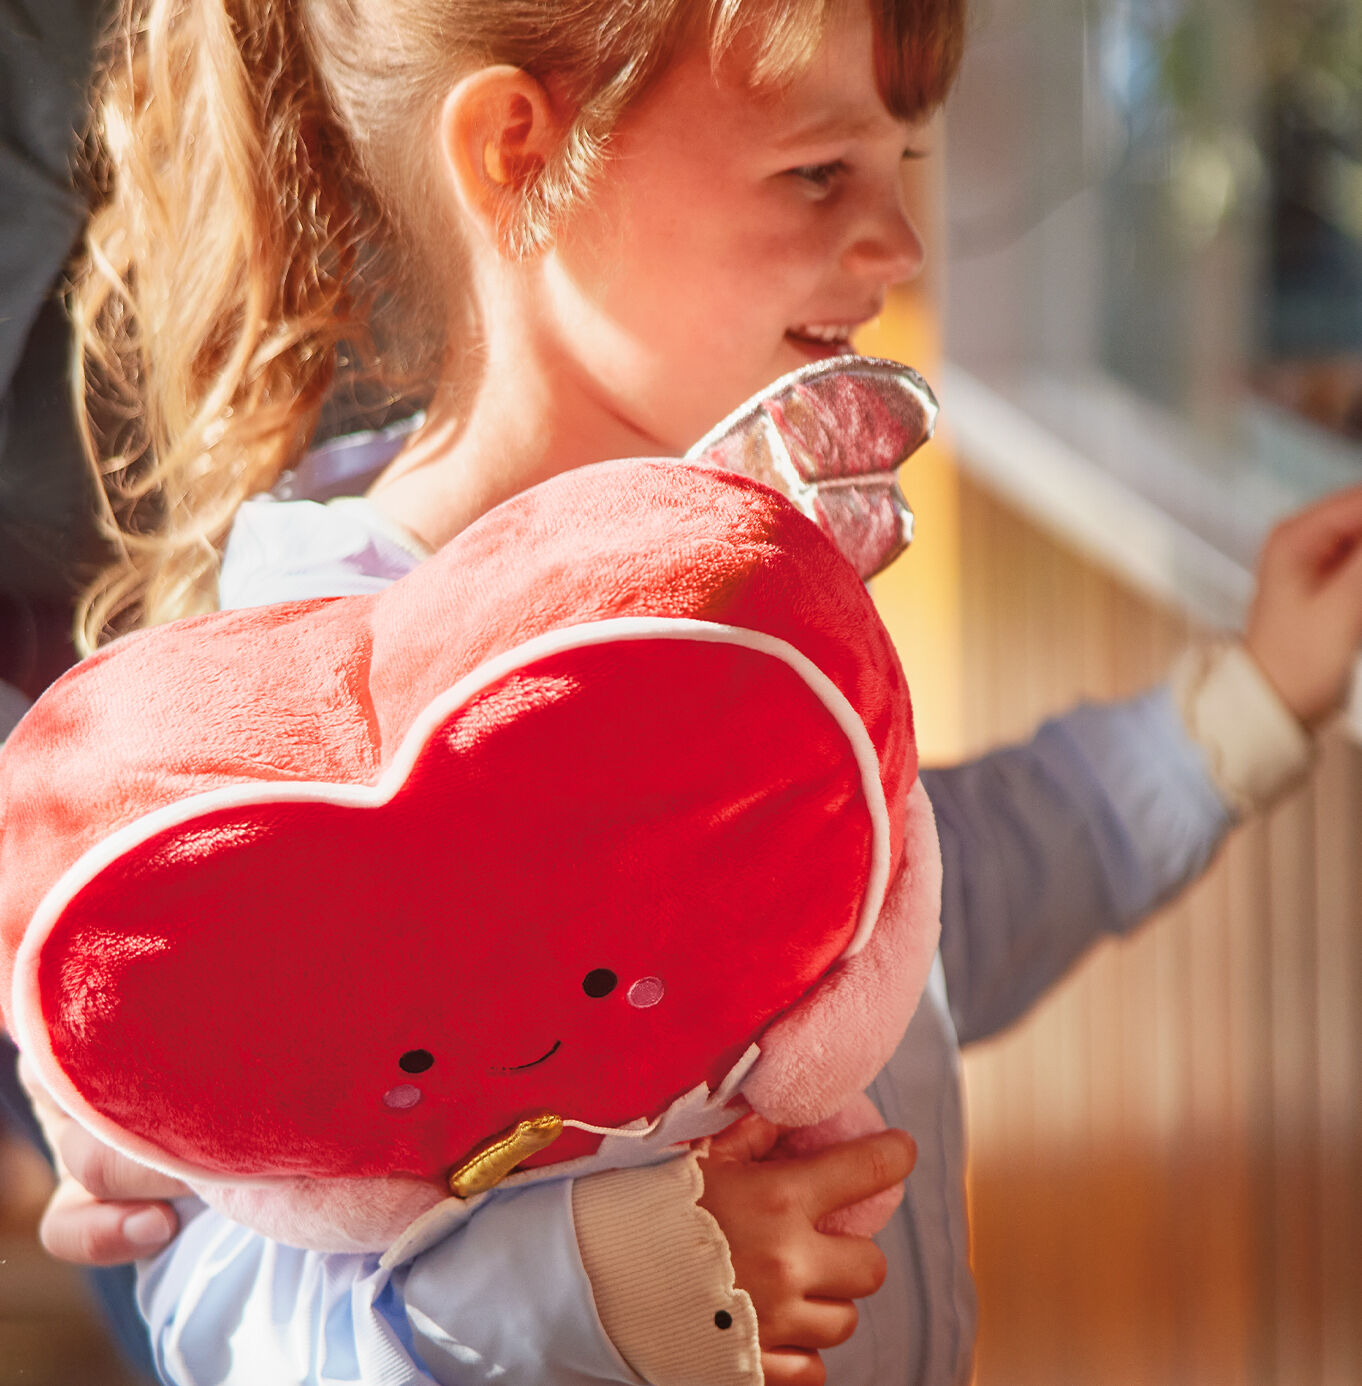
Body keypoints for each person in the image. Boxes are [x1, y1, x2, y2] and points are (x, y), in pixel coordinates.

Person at [19, 0, 1362, 1384]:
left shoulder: (746, 585)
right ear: (517, 155)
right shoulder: (277, 715)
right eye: (815, 171)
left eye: (900, 164)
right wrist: (619, 1282)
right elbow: (222, 1313)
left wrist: (1242, 709)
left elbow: (903, 926)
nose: (900, 246)